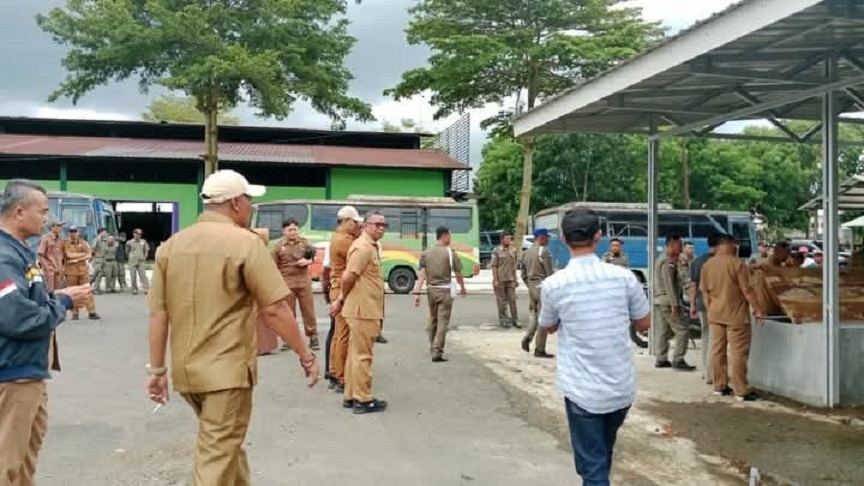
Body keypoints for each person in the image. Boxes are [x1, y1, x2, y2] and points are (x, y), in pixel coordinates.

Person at [146, 169, 319, 486]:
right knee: (216, 458)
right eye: (249, 200)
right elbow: (276, 309)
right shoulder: (245, 243)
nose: (251, 207)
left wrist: (157, 370)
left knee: (226, 446)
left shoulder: (171, 246)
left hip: (188, 374)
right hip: (226, 374)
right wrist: (306, 355)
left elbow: (159, 314)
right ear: (237, 203)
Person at [539, 209, 650, 485]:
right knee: (601, 454)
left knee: (593, 469)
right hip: (620, 390)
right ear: (599, 237)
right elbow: (644, 323)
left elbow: (549, 325)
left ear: (563, 238)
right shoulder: (625, 278)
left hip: (582, 392)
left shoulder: (554, 285)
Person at [0, 179, 91, 486]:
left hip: (29, 372)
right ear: (19, 211)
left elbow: (32, 301)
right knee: (5, 464)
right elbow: (17, 318)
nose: (47, 218)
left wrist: (56, 299)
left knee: (24, 463)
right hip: (12, 374)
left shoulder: (20, 251)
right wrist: (64, 302)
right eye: (43, 211)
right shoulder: (3, 257)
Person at [329, 210, 388, 414]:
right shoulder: (363, 247)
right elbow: (348, 277)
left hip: (364, 307)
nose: (381, 228)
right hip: (363, 309)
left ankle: (351, 396)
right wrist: (341, 299)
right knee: (363, 355)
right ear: (366, 225)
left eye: (383, 225)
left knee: (355, 354)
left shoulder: (368, 246)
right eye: (377, 224)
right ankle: (363, 399)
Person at [700, 234, 765, 402]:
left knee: (717, 350)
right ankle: (740, 389)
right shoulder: (737, 264)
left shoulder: (707, 265)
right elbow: (747, 291)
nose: (736, 247)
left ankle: (719, 386)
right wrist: (758, 310)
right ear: (729, 245)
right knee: (738, 352)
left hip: (715, 314)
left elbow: (705, 292)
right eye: (735, 244)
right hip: (736, 316)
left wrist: (710, 310)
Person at [412, 226, 467, 362]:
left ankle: (432, 346)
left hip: (431, 290)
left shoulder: (426, 253)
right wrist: (462, 287)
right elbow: (458, 273)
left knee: (433, 320)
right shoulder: (450, 253)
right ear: (445, 236)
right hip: (445, 291)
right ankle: (437, 351)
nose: (451, 238)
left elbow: (422, 274)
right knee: (443, 321)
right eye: (450, 235)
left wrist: (417, 292)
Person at [327, 206, 364, 393]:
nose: (357, 226)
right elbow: (360, 251)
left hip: (336, 287)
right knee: (343, 335)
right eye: (355, 223)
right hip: (343, 289)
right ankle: (341, 376)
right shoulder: (346, 240)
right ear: (346, 221)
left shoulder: (338, 237)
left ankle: (335, 371)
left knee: (338, 335)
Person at [272, 218, 320, 351]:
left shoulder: (304, 243)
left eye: (295, 229)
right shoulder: (278, 246)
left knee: (308, 311)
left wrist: (307, 261)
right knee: (288, 313)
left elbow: (313, 256)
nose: (293, 232)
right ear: (284, 231)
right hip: (287, 282)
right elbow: (273, 266)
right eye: (290, 230)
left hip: (303, 281)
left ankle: (313, 337)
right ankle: (289, 339)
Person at [653, 234, 695, 371]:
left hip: (660, 299)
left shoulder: (665, 259)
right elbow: (669, 284)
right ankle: (678, 359)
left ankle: (661, 358)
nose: (681, 247)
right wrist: (675, 304)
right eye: (679, 244)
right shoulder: (667, 261)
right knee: (682, 329)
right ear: (671, 244)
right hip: (667, 300)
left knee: (664, 330)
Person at [689, 233, 723, 385]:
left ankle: (705, 371)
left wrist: (692, 305)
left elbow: (693, 285)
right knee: (714, 339)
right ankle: (711, 374)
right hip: (715, 303)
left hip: (701, 304)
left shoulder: (697, 261)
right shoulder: (718, 262)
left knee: (705, 336)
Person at [520, 227, 554, 358]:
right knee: (544, 318)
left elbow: (523, 274)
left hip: (531, 287)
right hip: (542, 287)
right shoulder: (544, 251)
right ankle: (539, 349)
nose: (548, 239)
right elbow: (550, 274)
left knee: (534, 314)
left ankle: (527, 337)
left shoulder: (526, 253)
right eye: (547, 237)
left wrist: (530, 285)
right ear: (542, 237)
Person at [62, 226, 100, 320]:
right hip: (71, 271)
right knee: (72, 292)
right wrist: (82, 256)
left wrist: (77, 258)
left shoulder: (83, 243)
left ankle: (92, 311)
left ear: (78, 233)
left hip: (83, 271)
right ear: (69, 233)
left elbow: (89, 254)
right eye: (71, 231)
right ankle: (75, 313)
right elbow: (69, 255)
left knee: (87, 290)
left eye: (75, 231)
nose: (73, 233)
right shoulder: (65, 243)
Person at [491, 232, 519, 328]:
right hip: (500, 279)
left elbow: (514, 266)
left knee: (512, 299)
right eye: (507, 238)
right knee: (502, 301)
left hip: (510, 279)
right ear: (502, 239)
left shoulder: (513, 250)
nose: (509, 240)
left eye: (510, 238)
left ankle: (515, 319)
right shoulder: (496, 251)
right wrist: (495, 280)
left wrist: (516, 279)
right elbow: (494, 266)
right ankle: (504, 319)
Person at [37, 221, 65, 292]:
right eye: (58, 226)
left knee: (56, 292)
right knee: (48, 291)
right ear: (52, 227)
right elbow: (40, 255)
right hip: (50, 271)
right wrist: (47, 268)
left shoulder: (59, 239)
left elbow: (61, 255)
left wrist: (62, 267)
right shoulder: (45, 238)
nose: (60, 228)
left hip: (58, 270)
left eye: (60, 226)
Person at [126, 229, 150, 295]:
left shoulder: (143, 241)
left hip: (141, 261)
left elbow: (146, 250)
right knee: (133, 276)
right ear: (134, 234)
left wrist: (145, 258)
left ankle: (147, 289)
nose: (139, 235)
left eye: (140, 234)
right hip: (132, 261)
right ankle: (134, 289)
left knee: (143, 275)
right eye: (137, 234)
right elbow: (127, 251)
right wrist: (129, 258)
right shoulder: (129, 242)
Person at [90, 227, 108, 293]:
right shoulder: (97, 239)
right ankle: (95, 288)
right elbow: (93, 249)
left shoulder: (105, 240)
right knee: (99, 273)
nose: (106, 233)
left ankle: (90, 283)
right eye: (104, 232)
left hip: (103, 259)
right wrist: (92, 258)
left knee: (96, 274)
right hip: (98, 259)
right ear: (101, 232)